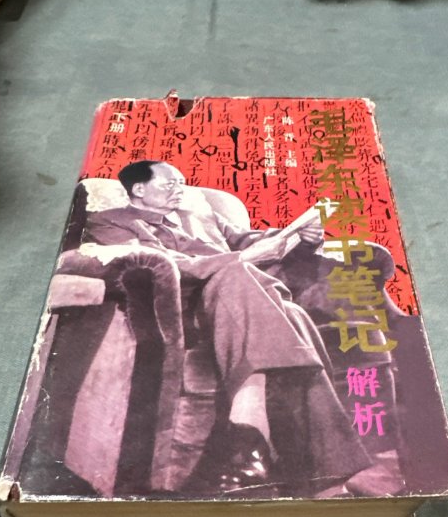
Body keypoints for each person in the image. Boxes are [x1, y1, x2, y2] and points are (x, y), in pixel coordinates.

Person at [83, 160, 380, 496]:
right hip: (180, 310)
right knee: (242, 278)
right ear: (139, 189)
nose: (180, 189)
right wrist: (244, 259)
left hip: (244, 302)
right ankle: (251, 430)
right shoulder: (110, 221)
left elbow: (249, 239)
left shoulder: (200, 215)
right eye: (170, 184)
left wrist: (302, 237)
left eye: (182, 182)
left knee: (292, 314)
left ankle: (312, 476)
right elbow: (166, 266)